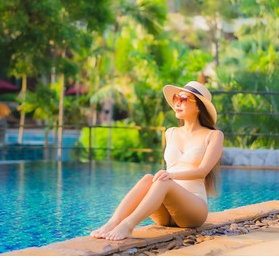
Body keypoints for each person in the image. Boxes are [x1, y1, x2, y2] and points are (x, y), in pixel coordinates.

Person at [90, 81, 224, 241]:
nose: (177, 103)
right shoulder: (171, 133)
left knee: (162, 181)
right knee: (148, 178)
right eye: (176, 98)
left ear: (198, 107)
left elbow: (202, 171)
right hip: (166, 215)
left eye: (184, 98)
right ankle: (113, 222)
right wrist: (168, 176)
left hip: (193, 211)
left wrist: (171, 176)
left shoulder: (214, 136)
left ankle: (127, 226)